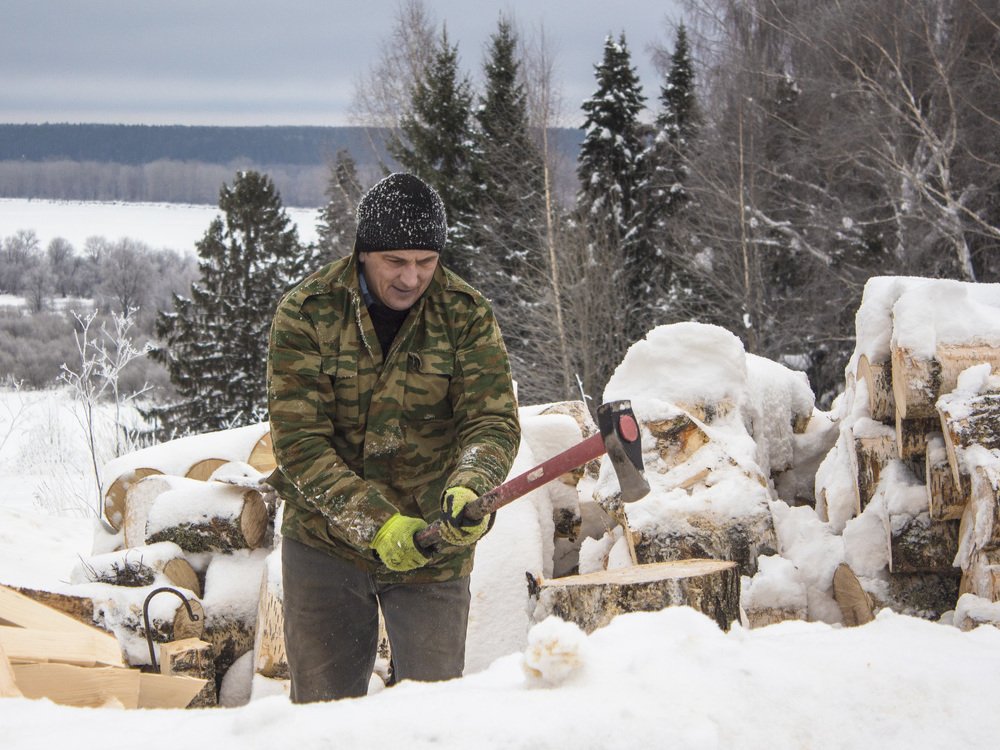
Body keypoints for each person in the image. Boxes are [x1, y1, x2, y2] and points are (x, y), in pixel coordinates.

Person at [266, 172, 520, 702]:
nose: (412, 278)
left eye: (426, 262)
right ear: (363, 253)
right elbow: (300, 445)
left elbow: (490, 421)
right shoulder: (307, 311)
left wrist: (474, 480)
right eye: (396, 262)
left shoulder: (465, 315)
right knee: (322, 717)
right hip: (325, 541)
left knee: (431, 713)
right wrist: (378, 525)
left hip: (435, 539)